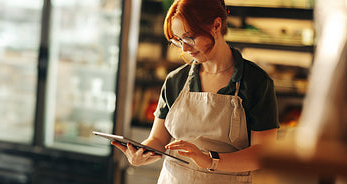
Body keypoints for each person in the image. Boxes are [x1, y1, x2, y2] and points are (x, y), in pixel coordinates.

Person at [112, 0, 279, 183]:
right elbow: (158, 139)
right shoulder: (175, 81)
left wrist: (209, 160)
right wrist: (140, 154)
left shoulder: (256, 83)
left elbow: (262, 154)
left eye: (189, 37)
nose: (184, 48)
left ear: (216, 25)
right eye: (178, 40)